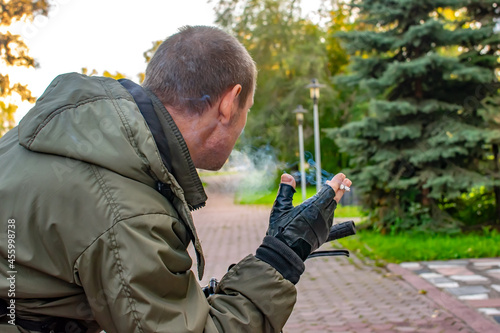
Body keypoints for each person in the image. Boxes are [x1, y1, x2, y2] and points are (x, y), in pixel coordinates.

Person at [0, 26, 352, 332]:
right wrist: (282, 256)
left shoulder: (69, 134)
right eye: (247, 111)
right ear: (230, 103)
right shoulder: (127, 210)